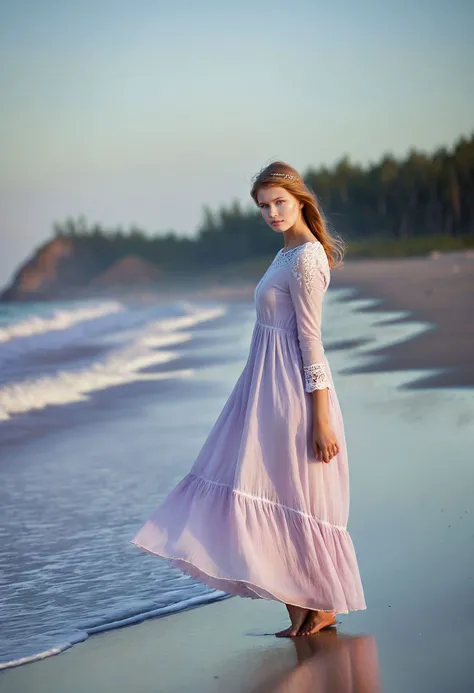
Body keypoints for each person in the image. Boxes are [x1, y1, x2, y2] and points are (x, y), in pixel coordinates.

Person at [131, 161, 366, 637]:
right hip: (264, 388)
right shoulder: (285, 254)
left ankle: (318, 606)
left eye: (279, 202)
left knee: (291, 493)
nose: (272, 213)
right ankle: (303, 609)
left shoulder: (306, 257)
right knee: (267, 489)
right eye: (263, 206)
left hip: (293, 395)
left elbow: (311, 339)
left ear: (300, 199)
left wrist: (320, 417)